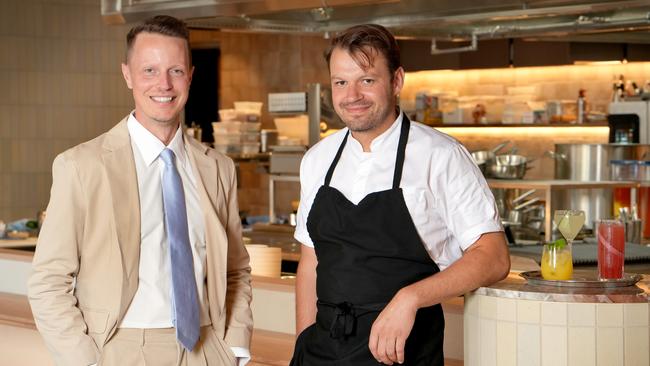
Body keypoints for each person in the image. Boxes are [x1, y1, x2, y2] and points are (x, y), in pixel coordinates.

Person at [28, 15, 252, 366]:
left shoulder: (218, 168)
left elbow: (236, 269)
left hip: (208, 348)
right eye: (149, 70)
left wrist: (234, 347)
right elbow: (48, 280)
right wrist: (85, 360)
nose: (163, 84)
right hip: (123, 349)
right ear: (127, 74)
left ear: (190, 77)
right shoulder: (82, 166)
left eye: (175, 71)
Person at [290, 24, 510, 365]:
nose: (352, 95)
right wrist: (303, 341)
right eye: (340, 82)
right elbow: (311, 262)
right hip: (321, 353)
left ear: (396, 81)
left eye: (367, 80)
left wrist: (410, 297)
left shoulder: (441, 156)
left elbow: (493, 257)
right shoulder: (318, 159)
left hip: (403, 355)